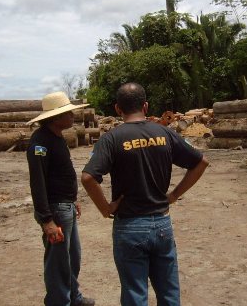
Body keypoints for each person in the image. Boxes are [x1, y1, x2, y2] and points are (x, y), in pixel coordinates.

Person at [81, 82, 209, 306]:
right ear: (146, 106)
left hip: (129, 226)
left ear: (118, 109)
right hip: (161, 223)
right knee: (169, 292)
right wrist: (174, 195)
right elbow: (201, 162)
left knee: (134, 293)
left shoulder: (111, 138)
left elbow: (88, 177)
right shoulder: (164, 133)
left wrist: (105, 208)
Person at [26, 91, 95, 306]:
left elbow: (61, 174)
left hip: (66, 207)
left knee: (72, 258)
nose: (72, 116)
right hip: (55, 211)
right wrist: (47, 219)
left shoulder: (57, 137)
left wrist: (73, 199)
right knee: (58, 263)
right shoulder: (40, 143)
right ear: (55, 118)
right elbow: (37, 183)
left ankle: (74, 297)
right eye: (68, 113)